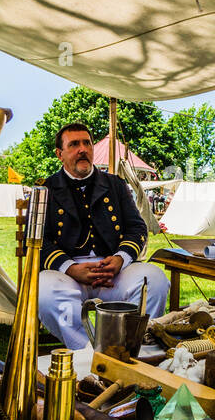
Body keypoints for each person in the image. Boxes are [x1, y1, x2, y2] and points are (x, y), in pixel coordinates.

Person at [36, 123, 167, 348]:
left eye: (87, 143)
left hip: (114, 270)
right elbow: (40, 240)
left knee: (153, 280)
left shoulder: (115, 185)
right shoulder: (47, 189)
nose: (83, 149)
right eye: (74, 144)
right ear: (60, 154)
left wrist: (120, 259)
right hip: (68, 274)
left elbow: (137, 228)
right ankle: (88, 351)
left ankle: (132, 347)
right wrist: (70, 267)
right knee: (45, 292)